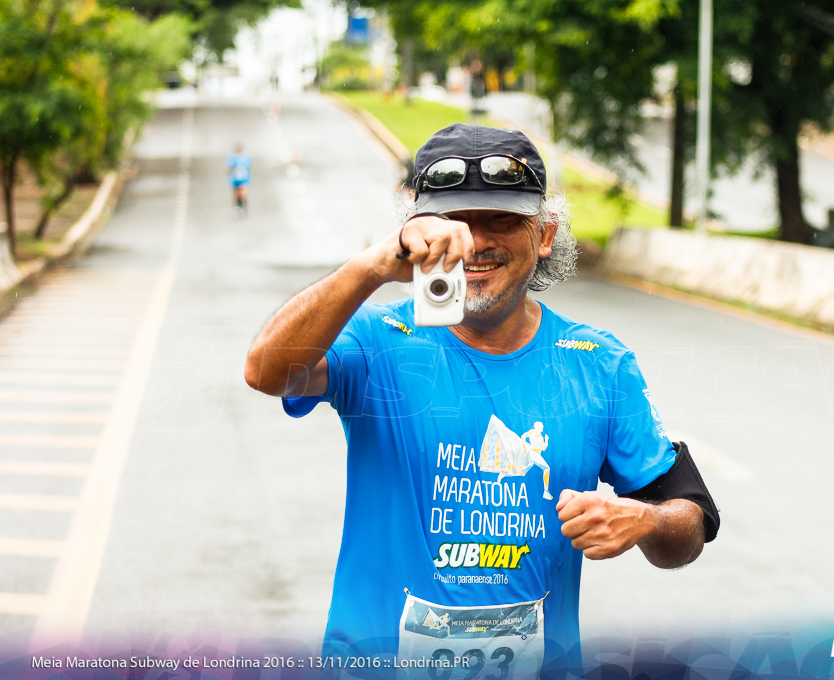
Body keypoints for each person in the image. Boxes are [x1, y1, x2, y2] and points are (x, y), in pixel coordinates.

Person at [244, 123, 719, 678]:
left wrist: (647, 521)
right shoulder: (376, 340)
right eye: (454, 222)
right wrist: (371, 268)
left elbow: (689, 519)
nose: (476, 242)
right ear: (414, 229)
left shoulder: (598, 363)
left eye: (502, 221)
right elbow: (265, 370)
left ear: (544, 234)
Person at [226, 144, 252, 216]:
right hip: (240, 179)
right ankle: (241, 209)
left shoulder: (233, 158)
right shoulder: (245, 157)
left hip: (239, 180)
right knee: (240, 194)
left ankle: (240, 209)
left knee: (240, 194)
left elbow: (228, 169)